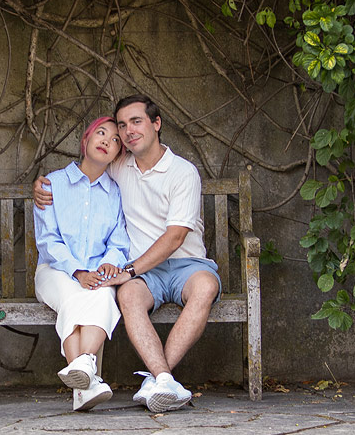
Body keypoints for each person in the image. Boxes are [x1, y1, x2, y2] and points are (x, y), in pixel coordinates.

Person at [34, 96, 221, 412]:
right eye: (122, 125)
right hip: (141, 274)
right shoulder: (119, 166)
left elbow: (175, 237)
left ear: (156, 124)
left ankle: (159, 378)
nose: (127, 132)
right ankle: (158, 378)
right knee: (127, 297)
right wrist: (39, 184)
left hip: (184, 265)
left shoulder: (183, 172)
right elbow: (84, 173)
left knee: (205, 287)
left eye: (136, 122)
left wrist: (126, 269)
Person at [33, 116, 130, 411]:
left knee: (104, 294)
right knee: (73, 295)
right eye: (101, 133)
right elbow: (48, 241)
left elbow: (119, 240)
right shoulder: (53, 183)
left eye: (115, 140)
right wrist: (78, 271)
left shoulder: (115, 193)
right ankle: (87, 369)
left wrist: (109, 265)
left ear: (117, 155)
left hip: (96, 272)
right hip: (55, 270)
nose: (107, 141)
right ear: (85, 140)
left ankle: (83, 378)